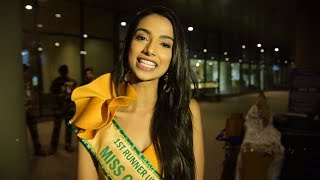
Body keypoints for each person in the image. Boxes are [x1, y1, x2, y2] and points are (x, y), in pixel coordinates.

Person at [68, 6, 204, 180]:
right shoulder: (97, 111)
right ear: (128, 45)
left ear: (173, 56)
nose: (150, 50)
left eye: (164, 44)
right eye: (142, 37)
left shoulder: (186, 110)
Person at [235, 91, 285, 180]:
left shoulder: (256, 110)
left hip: (254, 143)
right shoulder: (263, 110)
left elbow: (249, 122)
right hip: (259, 142)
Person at [49, 64, 77, 154]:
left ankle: (67, 145)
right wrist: (59, 96)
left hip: (68, 108)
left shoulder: (72, 81)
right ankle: (54, 146)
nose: (64, 73)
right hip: (59, 107)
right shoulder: (56, 82)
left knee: (68, 128)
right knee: (57, 128)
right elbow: (52, 94)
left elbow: (74, 94)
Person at [23, 64, 46, 156]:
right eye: (25, 71)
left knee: (34, 131)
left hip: (30, 109)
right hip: (22, 110)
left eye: (27, 72)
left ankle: (38, 149)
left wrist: (33, 102)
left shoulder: (31, 82)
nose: (26, 74)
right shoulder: (16, 83)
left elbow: (34, 93)